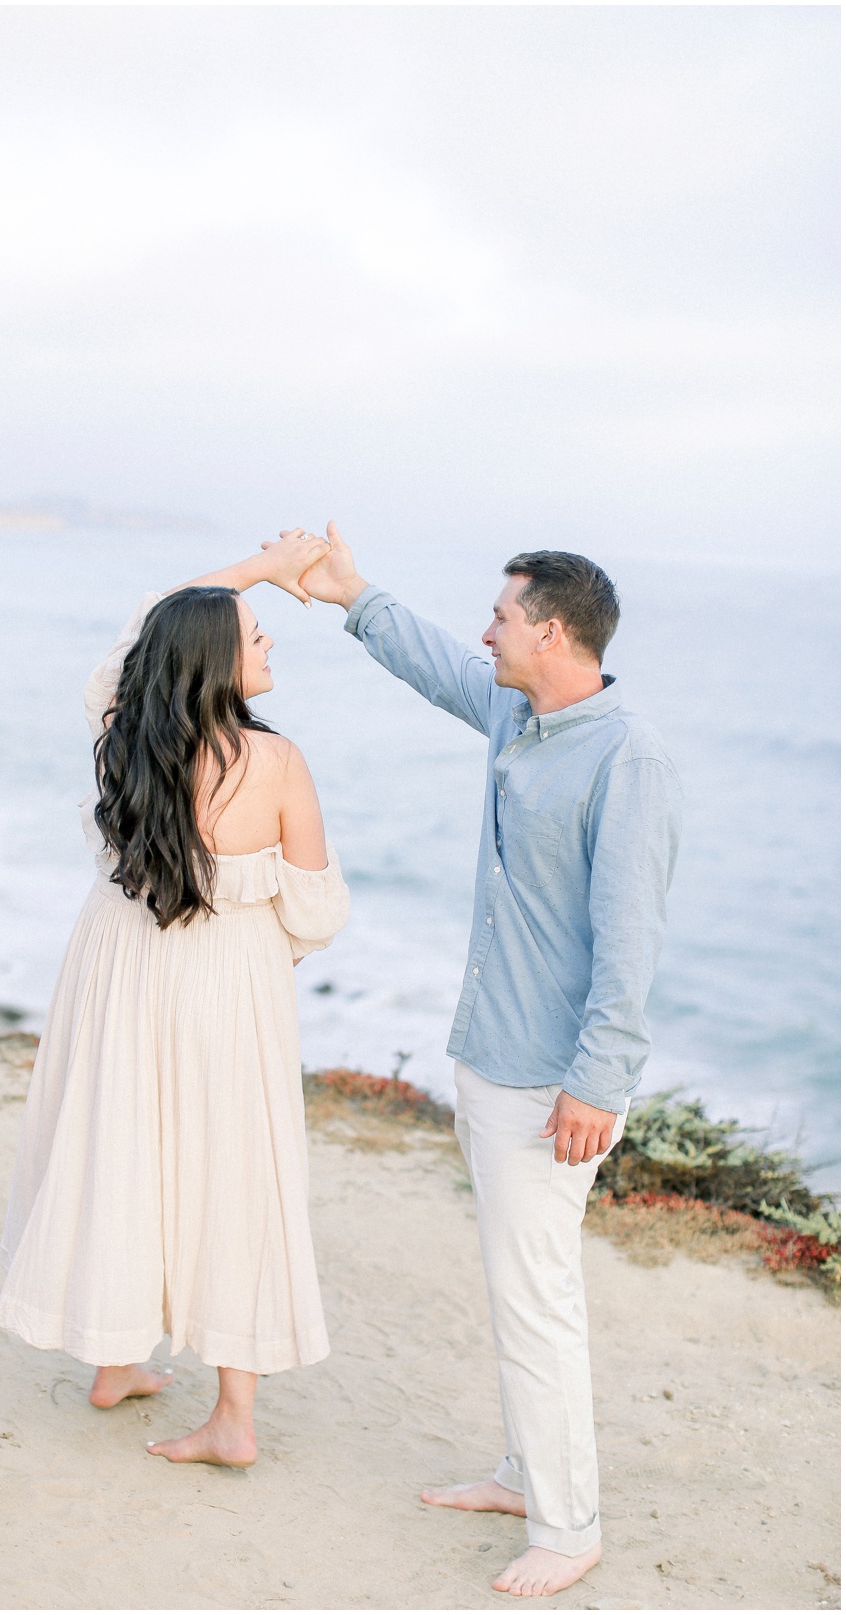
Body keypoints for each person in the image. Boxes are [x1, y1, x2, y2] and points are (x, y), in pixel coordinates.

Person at [293, 522, 682, 1598]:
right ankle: (524, 1472)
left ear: (551, 630)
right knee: (515, 1286)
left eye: (504, 616)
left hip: (551, 1082)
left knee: (537, 1296)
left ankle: (569, 1525)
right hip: (489, 1056)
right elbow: (438, 665)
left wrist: (599, 1082)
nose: (488, 631)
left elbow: (631, 941)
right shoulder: (519, 714)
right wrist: (351, 594)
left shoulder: (629, 758)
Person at [0, 532, 351, 1467]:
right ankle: (234, 1416)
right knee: (233, 1174)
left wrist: (253, 571)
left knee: (120, 1144)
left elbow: (150, 620)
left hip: (116, 961)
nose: (271, 645)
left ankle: (114, 1360)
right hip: (225, 981)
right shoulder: (274, 763)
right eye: (259, 633)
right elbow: (317, 910)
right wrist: (257, 947)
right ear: (216, 659)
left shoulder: (122, 729)